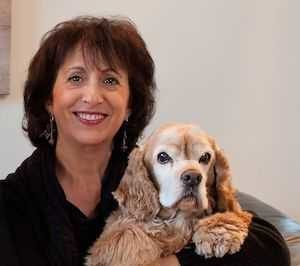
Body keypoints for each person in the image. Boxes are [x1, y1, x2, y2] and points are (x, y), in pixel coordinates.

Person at [0, 16, 290, 266]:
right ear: (49, 99)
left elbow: (271, 248)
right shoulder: (12, 203)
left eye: (110, 80)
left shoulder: (158, 174)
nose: (92, 96)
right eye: (75, 78)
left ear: (129, 104)